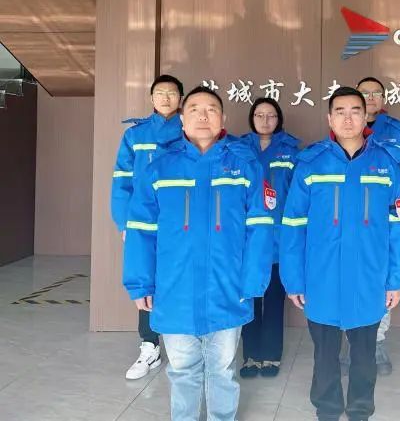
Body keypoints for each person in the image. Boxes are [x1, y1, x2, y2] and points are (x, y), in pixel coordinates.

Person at [123, 86, 275, 421]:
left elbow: (261, 227)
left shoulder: (244, 165)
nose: (203, 116)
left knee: (222, 369)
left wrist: (252, 281)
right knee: (182, 369)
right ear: (182, 118)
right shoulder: (160, 167)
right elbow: (140, 230)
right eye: (194, 109)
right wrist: (140, 283)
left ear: (223, 118)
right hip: (174, 288)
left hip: (228, 287)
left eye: (211, 109)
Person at [280, 87, 400, 421]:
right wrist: (293, 279)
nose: (348, 118)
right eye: (340, 111)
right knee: (324, 354)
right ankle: (327, 410)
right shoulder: (311, 163)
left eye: (355, 111)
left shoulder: (385, 163)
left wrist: (396, 279)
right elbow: (293, 225)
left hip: (369, 277)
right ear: (329, 118)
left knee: (364, 355)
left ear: (366, 116)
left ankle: (359, 411)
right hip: (321, 277)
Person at [111, 74, 184, 380]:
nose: (166, 97)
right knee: (146, 277)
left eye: (172, 93)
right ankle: (149, 346)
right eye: (160, 93)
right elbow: (122, 182)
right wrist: (124, 221)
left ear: (181, 98)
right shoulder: (135, 135)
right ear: (152, 98)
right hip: (145, 220)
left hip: (182, 220)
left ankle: (184, 346)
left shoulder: (191, 130)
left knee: (181, 275)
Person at [339, 76, 400, 376]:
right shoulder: (344, 127)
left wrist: (394, 197)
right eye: (365, 93)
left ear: (384, 98)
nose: (370, 98)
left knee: (380, 278)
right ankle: (351, 342)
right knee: (349, 276)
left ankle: (377, 341)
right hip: (349, 217)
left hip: (383, 216)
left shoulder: (397, 132)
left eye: (376, 93)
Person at [237, 97, 300, 379]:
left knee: (274, 300)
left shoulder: (291, 150)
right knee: (249, 298)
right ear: (252, 118)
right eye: (259, 115)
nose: (265, 120)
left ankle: (271, 355)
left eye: (271, 115)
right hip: (247, 239)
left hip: (278, 239)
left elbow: (297, 196)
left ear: (279, 119)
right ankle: (250, 355)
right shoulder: (238, 149)